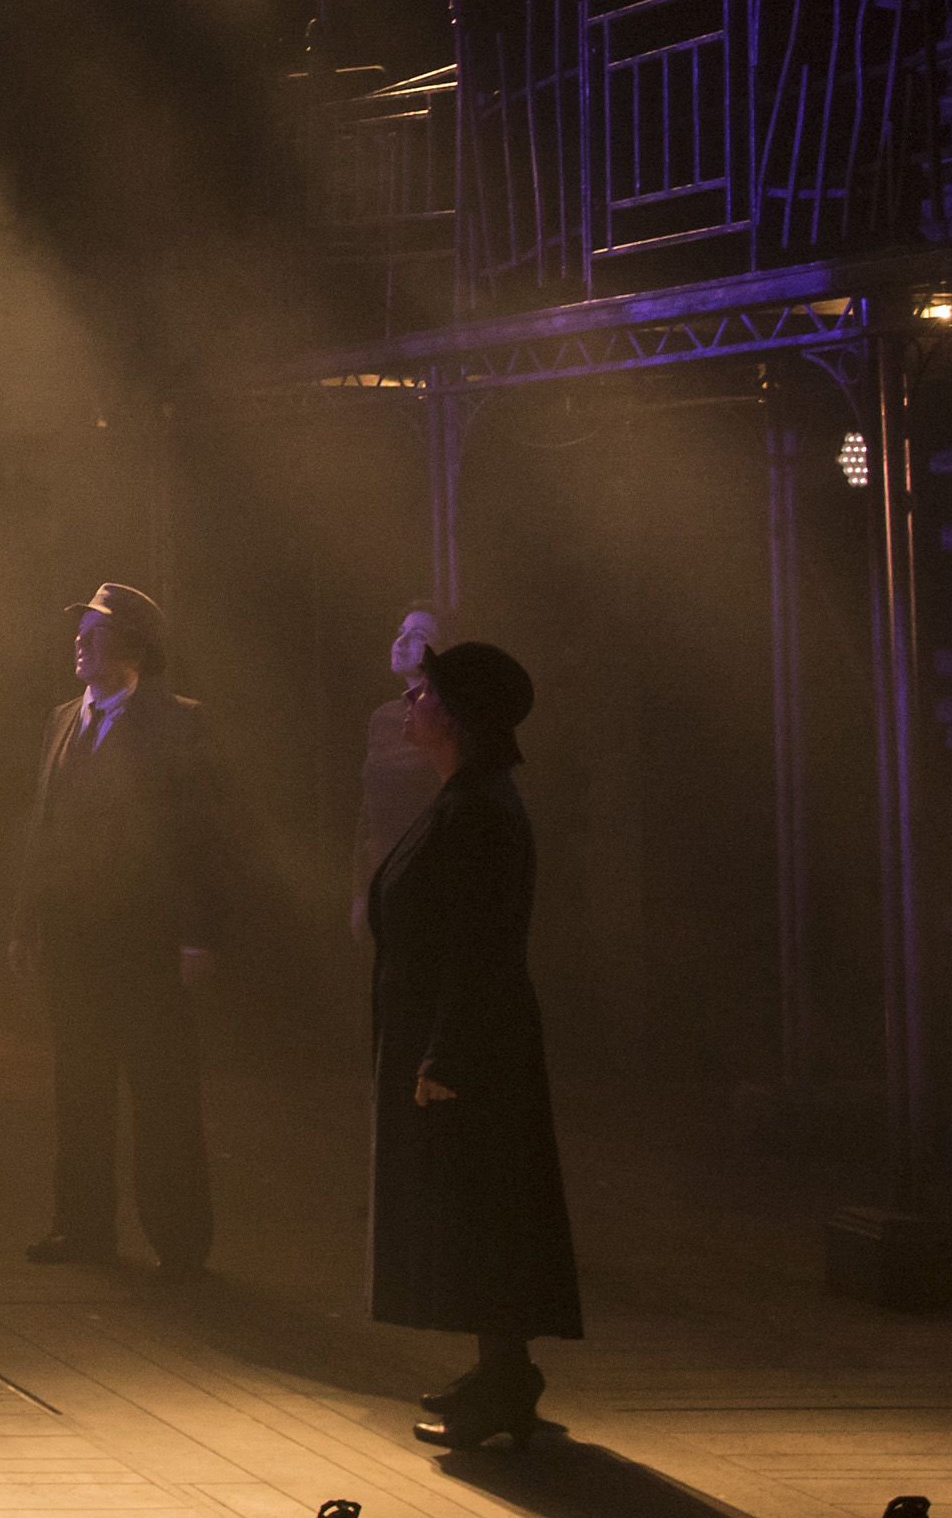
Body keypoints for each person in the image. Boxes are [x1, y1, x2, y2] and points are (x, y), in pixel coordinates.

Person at [372, 641, 583, 1451]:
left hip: (474, 1044)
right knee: (472, 1207)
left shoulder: (481, 811)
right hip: (456, 1033)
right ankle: (500, 1368)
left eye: (423, 692)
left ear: (456, 716)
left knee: (487, 1209)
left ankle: (505, 1380)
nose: (408, 702)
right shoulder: (464, 799)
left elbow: (481, 944)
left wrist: (447, 1053)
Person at [8, 581, 227, 1276]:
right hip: (73, 940)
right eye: (82, 628)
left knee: (162, 1089)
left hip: (148, 940)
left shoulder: (178, 722)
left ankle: (180, 1241)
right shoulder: (61, 719)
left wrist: (197, 935)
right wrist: (27, 922)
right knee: (80, 1086)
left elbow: (200, 837)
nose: (80, 639)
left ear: (132, 645)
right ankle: (82, 1227)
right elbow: (43, 827)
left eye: (96, 630)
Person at [354, 605, 446, 942]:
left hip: (428, 884)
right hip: (383, 878)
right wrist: (360, 891)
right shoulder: (383, 718)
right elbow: (369, 809)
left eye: (418, 635)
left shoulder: (448, 717)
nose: (402, 641)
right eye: (400, 631)